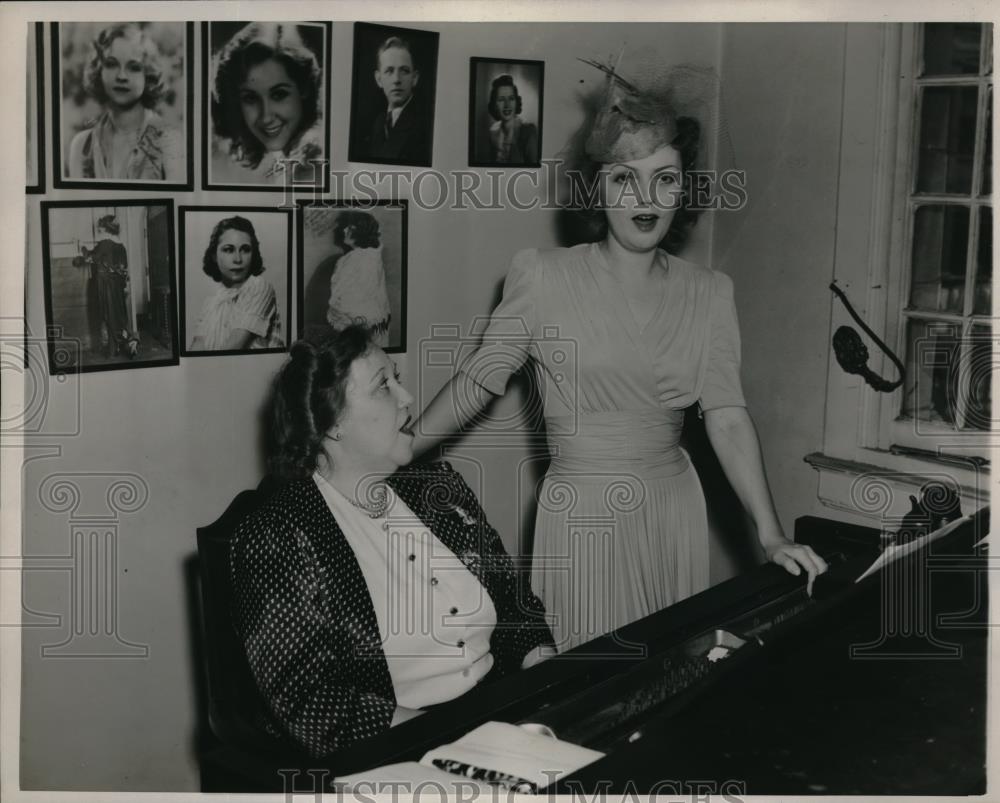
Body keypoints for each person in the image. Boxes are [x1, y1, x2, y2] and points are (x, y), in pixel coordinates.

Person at [413, 64, 828, 653]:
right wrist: (402, 446)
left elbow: (728, 416)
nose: (646, 198)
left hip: (673, 509)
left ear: (684, 189)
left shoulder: (710, 291)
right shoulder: (543, 275)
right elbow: (479, 379)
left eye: (665, 179)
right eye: (624, 178)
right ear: (596, 187)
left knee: (671, 678)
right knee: (588, 680)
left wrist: (771, 535)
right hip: (583, 512)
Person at [231, 327, 554, 757]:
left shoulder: (436, 487)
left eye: (397, 378)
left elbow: (514, 605)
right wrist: (452, 744)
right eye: (384, 385)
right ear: (333, 423)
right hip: (392, 747)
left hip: (497, 720)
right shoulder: (277, 535)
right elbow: (309, 698)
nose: (407, 397)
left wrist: (550, 683)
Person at [211, 23, 324, 185]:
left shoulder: (312, 163)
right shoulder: (287, 159)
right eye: (251, 98)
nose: (266, 117)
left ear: (303, 88)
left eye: (279, 95)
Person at [67, 23, 184, 181]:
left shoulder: (169, 142)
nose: (121, 76)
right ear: (99, 71)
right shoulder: (82, 146)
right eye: (111, 64)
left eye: (134, 67)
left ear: (148, 74)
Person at [189, 216, 284, 351]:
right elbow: (196, 350)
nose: (238, 259)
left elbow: (233, 349)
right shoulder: (210, 303)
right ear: (214, 256)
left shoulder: (260, 287)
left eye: (245, 250)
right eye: (228, 250)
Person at [73, 214, 139, 359]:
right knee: (118, 317)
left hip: (106, 286)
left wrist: (82, 247)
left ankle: (128, 341)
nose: (99, 230)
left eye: (100, 228)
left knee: (109, 317)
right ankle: (115, 348)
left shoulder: (104, 244)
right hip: (118, 287)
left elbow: (90, 257)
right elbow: (124, 269)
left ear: (105, 229)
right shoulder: (121, 247)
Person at [326, 211, 392, 347]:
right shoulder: (372, 257)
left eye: (350, 227)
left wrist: (335, 318)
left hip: (357, 331)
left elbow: (342, 302)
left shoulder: (354, 261)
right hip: (376, 327)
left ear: (361, 231)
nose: (343, 230)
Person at [364, 36, 431, 163]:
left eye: (404, 71)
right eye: (389, 71)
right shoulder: (378, 123)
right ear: (379, 79)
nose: (396, 80)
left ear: (415, 78)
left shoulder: (426, 124)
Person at [485, 74, 538, 165]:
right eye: (501, 99)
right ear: (495, 104)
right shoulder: (493, 132)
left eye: (511, 99)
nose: (507, 105)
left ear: (517, 102)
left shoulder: (528, 132)